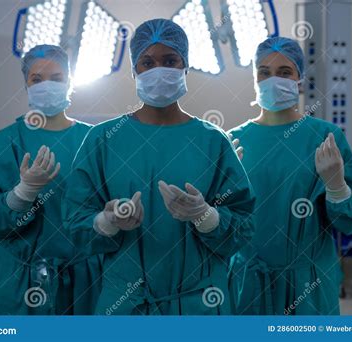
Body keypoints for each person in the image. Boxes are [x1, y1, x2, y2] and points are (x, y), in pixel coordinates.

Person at [63, 19, 256, 315]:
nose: (158, 70)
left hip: (199, 307)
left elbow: (244, 225)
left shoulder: (213, 140)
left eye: (170, 60)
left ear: (185, 66)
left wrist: (206, 216)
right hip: (126, 306)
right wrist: (106, 221)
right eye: (147, 62)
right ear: (134, 71)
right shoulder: (102, 140)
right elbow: (75, 222)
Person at [228, 37, 352, 315]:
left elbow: (350, 221)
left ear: (299, 79)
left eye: (284, 72)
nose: (273, 79)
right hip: (248, 284)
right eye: (264, 72)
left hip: (309, 286)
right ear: (254, 79)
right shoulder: (233, 141)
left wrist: (337, 187)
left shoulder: (326, 137)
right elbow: (223, 226)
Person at [0, 44, 101, 314]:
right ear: (26, 85)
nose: (47, 86)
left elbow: (107, 204)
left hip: (85, 279)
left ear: (70, 81)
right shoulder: (5, 141)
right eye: (37, 79)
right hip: (20, 280)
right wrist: (22, 193)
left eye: (56, 78)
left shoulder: (94, 140)